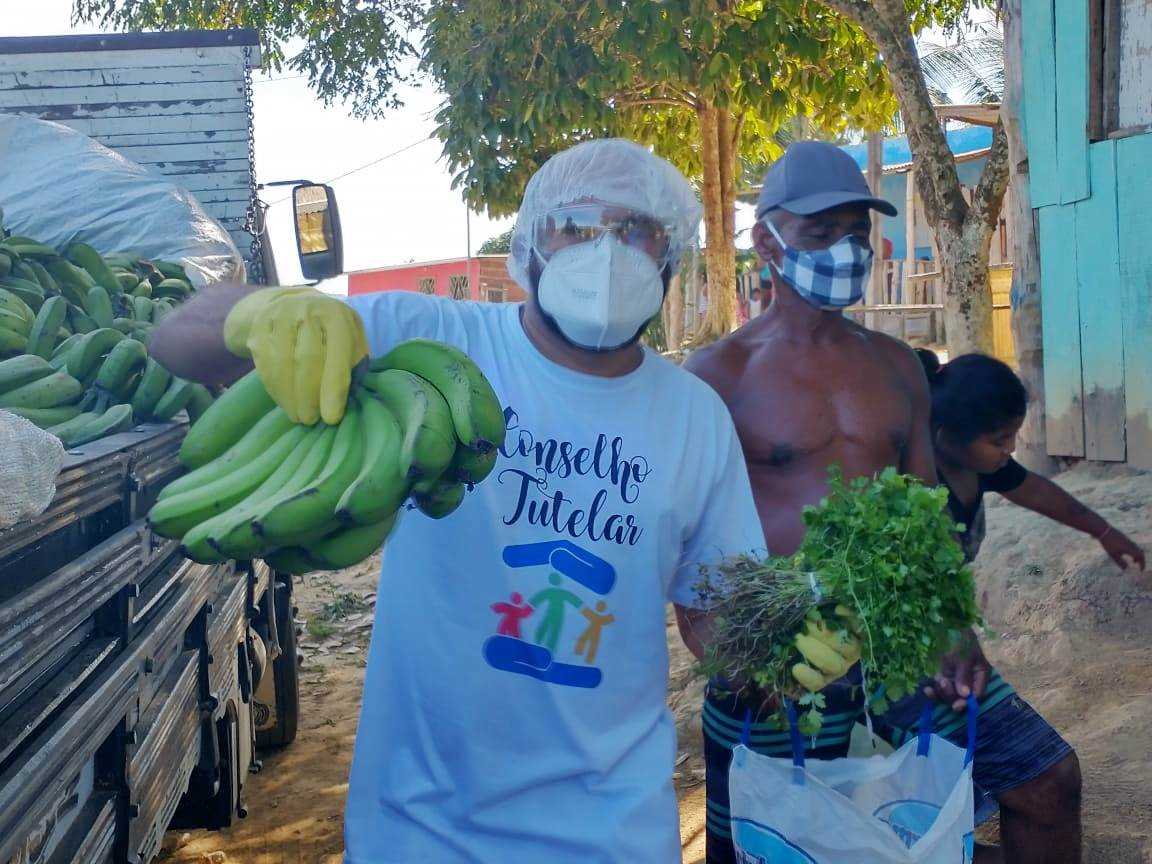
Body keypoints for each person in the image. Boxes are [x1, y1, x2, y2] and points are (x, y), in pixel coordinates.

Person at [149, 138, 765, 864]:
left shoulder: (694, 415)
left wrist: (781, 648)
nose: (606, 253)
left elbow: (715, 609)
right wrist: (259, 316)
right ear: (532, 242)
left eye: (636, 231)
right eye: (578, 227)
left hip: (613, 832)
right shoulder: (427, 344)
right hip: (420, 824)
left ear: (670, 255)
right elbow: (172, 340)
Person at [685, 140, 1083, 864]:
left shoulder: (896, 365)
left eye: (858, 232)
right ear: (766, 241)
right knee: (762, 841)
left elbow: (928, 520)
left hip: (900, 652)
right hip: (780, 667)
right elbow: (687, 547)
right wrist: (730, 656)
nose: (846, 248)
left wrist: (955, 633)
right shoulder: (715, 377)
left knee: (1047, 780)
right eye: (821, 231)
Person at [915, 350, 1146, 574]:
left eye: (1013, 435)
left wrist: (1104, 532)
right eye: (999, 441)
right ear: (945, 437)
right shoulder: (914, 481)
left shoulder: (981, 465)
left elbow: (1037, 492)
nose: (1012, 448)